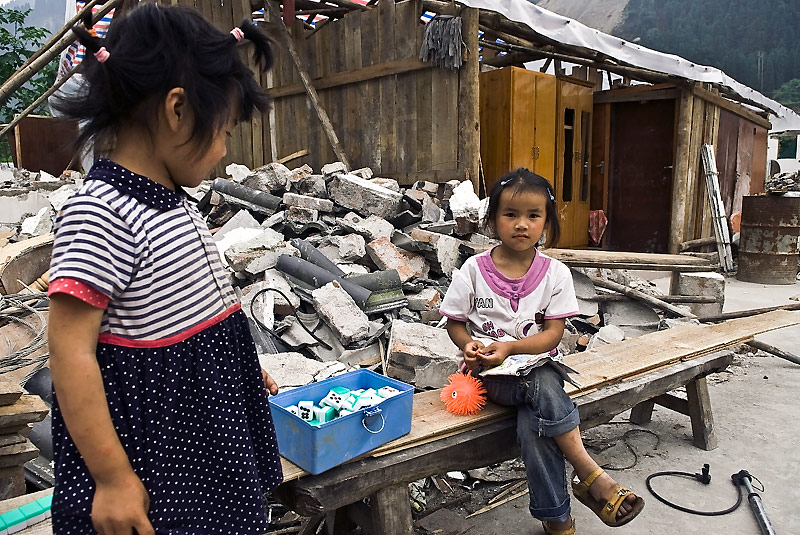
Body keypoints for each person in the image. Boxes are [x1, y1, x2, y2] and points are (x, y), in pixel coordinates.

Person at [47, 5, 282, 534]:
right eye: (223, 131)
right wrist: (111, 478)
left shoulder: (172, 198)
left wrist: (236, 366)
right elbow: (69, 349)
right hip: (156, 456)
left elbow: (194, 309)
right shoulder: (102, 210)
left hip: (202, 431)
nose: (223, 151)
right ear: (177, 111)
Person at [439, 168, 644, 535]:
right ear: (492, 222)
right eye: (510, 215)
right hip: (491, 379)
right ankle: (589, 472)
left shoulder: (555, 273)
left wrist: (512, 347)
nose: (522, 224)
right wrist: (468, 344)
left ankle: (558, 520)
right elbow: (455, 321)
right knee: (544, 384)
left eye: (533, 215)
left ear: (546, 221)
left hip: (538, 370)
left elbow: (552, 335)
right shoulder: (473, 270)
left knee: (534, 427)